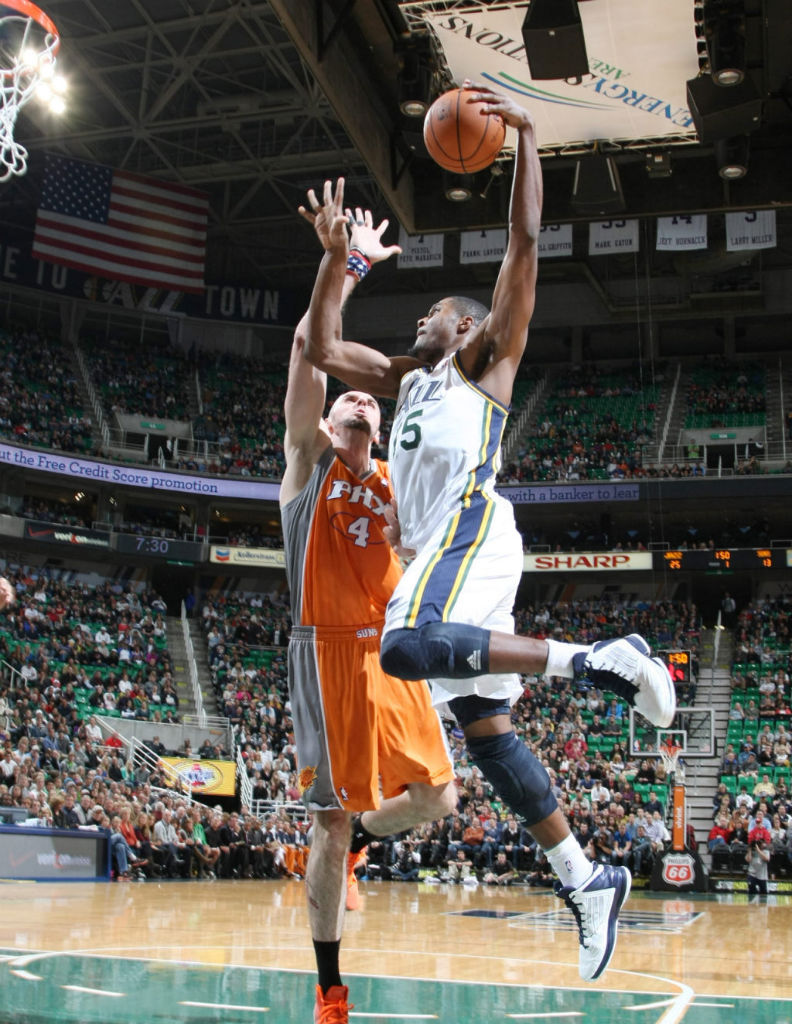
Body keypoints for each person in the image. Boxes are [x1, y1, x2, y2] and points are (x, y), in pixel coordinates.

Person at [300, 79, 676, 984]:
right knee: (486, 728)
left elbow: (524, 242)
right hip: (448, 554)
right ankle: (583, 877)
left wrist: (529, 144)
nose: (421, 315)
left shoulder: (482, 363)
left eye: (433, 311)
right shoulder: (407, 377)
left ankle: (601, 660)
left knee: (403, 645)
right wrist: (334, 260)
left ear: (463, 326)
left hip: (470, 533)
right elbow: (319, 347)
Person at [281, 217, 457, 1024]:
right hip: (326, 655)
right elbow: (309, 347)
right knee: (327, 821)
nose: (355, 396)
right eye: (344, 395)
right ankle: (329, 988)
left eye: (364, 398)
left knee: (438, 802)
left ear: (381, 426)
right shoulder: (307, 465)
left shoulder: (394, 481)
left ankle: (357, 844)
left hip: (389, 653)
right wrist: (344, 261)